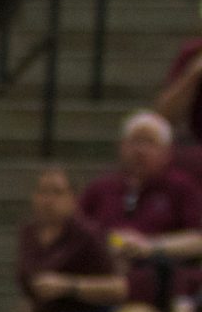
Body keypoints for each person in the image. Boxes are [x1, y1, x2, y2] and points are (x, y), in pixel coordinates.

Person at [79, 110, 202, 271]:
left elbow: (197, 239)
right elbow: (76, 233)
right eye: (135, 142)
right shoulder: (100, 188)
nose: (140, 150)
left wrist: (150, 246)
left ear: (167, 152)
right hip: (103, 271)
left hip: (161, 273)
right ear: (121, 147)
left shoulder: (182, 187)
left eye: (149, 143)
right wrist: (114, 241)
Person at [17, 165, 128, 312]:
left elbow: (118, 289)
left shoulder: (89, 234)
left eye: (57, 193)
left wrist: (68, 286)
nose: (48, 200)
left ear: (73, 199)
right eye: (43, 192)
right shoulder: (28, 232)